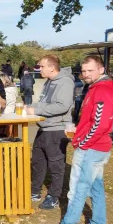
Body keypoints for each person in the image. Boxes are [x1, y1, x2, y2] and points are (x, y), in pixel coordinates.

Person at [44, 56, 113, 224]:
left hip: (92, 149)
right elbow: (93, 121)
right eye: (83, 71)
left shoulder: (102, 89)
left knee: (78, 187)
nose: (85, 74)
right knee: (96, 187)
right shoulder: (97, 88)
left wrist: (83, 142)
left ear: (101, 70)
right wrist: (80, 131)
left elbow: (100, 123)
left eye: (90, 70)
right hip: (97, 147)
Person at [25, 55, 75, 209]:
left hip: (57, 129)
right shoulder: (49, 81)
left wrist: (36, 109)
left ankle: (53, 196)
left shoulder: (65, 82)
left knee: (56, 165)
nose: (39, 69)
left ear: (52, 67)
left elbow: (62, 106)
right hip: (44, 127)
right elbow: (43, 102)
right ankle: (34, 191)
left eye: (41, 66)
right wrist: (29, 107)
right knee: (38, 161)